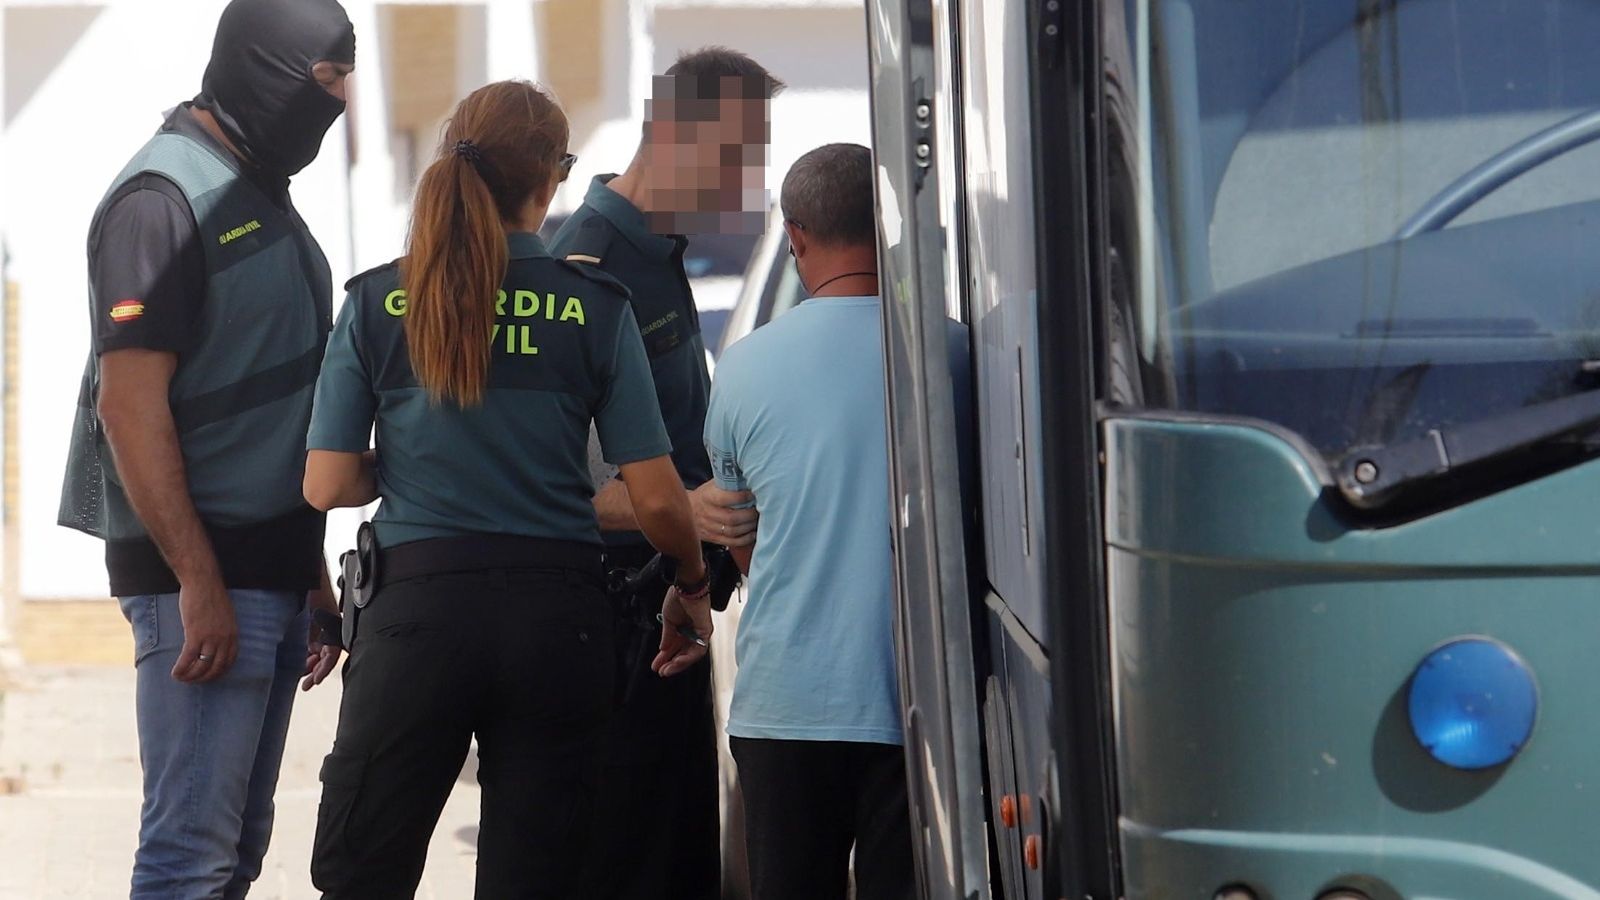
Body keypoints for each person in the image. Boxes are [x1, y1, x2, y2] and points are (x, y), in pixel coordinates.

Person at [302, 80, 712, 899]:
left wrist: (423, 462)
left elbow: (328, 483)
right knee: (539, 876)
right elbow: (662, 501)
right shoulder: (593, 305)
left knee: (362, 873)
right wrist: (693, 586)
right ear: (550, 178)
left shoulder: (380, 299)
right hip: (557, 626)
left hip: (414, 622)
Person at [55, 1, 354, 896]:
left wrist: (308, 567)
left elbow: (275, 393)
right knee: (190, 857)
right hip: (200, 582)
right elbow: (130, 406)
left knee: (235, 854)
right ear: (265, 69)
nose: (335, 102)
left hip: (266, 573)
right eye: (324, 81)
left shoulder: (254, 180)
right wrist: (199, 582)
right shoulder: (163, 200)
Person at [549, 45, 783, 899]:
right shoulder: (592, 258)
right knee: (631, 862)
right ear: (674, 136)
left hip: (675, 607)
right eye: (736, 153)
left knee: (683, 859)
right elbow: (568, 484)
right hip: (621, 622)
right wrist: (688, 512)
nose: (746, 179)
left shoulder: (659, 250)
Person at [703, 143, 914, 900]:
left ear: (795, 237)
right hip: (914, 703)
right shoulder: (949, 351)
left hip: (786, 706)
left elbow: (741, 534)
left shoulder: (743, 367)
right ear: (884, 227)